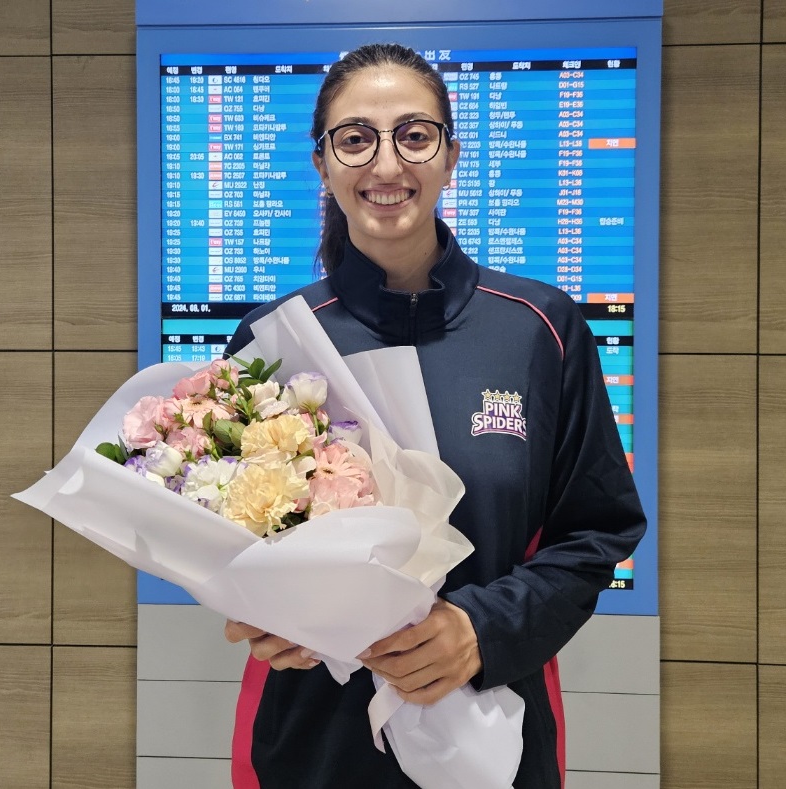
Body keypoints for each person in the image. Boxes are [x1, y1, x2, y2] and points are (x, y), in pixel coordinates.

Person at [222, 42, 646, 788]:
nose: (387, 166)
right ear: (322, 164)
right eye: (355, 139)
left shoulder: (538, 329)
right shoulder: (272, 341)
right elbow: (230, 540)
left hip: (490, 733)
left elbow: (596, 532)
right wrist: (257, 614)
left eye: (414, 135)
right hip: (314, 746)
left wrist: (481, 628)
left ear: (451, 156)